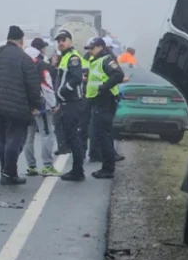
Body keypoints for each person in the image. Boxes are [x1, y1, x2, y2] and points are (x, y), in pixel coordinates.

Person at [0, 25, 42, 185]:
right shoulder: (24, 58)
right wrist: (36, 104)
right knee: (15, 139)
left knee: (2, 140)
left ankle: (5, 171)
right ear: (21, 41)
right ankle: (9, 173)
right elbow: (33, 85)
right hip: (17, 107)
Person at [86, 37, 124, 179]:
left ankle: (108, 169)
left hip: (105, 101)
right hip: (98, 102)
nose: (90, 50)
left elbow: (118, 74)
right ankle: (106, 167)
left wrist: (103, 87)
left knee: (104, 136)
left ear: (101, 47)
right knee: (101, 135)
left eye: (92, 48)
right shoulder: (96, 61)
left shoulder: (107, 59)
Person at [23, 38, 61, 177]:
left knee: (29, 137)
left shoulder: (21, 63)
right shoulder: (41, 65)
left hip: (26, 106)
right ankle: (47, 166)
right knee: (46, 134)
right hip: (42, 106)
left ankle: (31, 166)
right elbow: (46, 86)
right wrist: (54, 104)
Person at [53, 31, 86, 181]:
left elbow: (77, 77)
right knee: (71, 137)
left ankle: (78, 171)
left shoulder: (73, 58)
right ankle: (76, 170)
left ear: (70, 41)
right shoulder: (64, 57)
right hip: (66, 103)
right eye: (58, 40)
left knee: (73, 138)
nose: (61, 43)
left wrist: (64, 90)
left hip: (72, 103)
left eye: (63, 40)